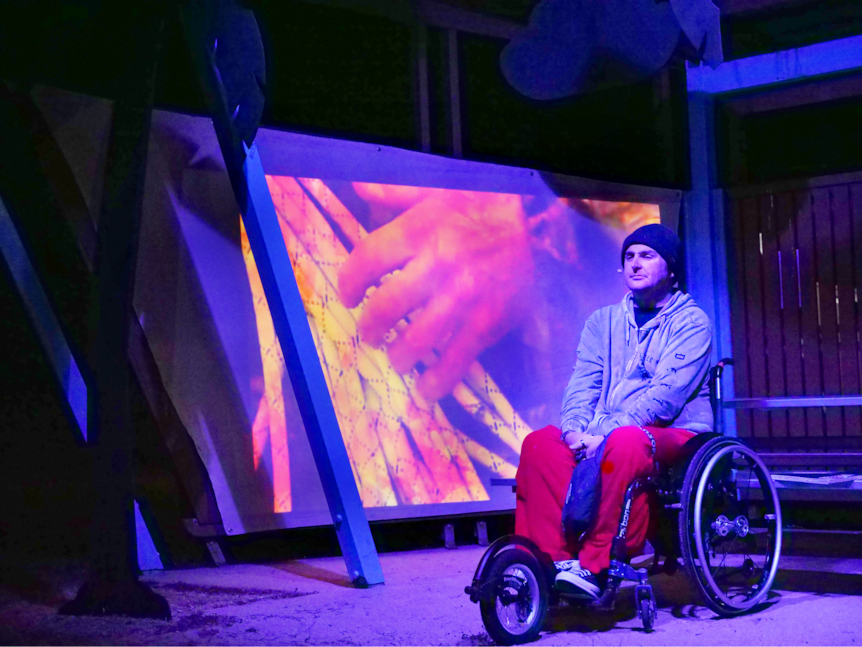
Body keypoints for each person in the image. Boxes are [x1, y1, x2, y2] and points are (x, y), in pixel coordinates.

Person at [514, 223, 714, 599]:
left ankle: (596, 563)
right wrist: (573, 430)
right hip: (603, 429)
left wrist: (602, 436)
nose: (635, 264)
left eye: (647, 256)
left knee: (625, 441)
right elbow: (583, 383)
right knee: (540, 444)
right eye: (629, 257)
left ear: (671, 269)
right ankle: (552, 562)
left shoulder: (693, 323)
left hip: (676, 431)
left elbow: (665, 397)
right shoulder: (601, 322)